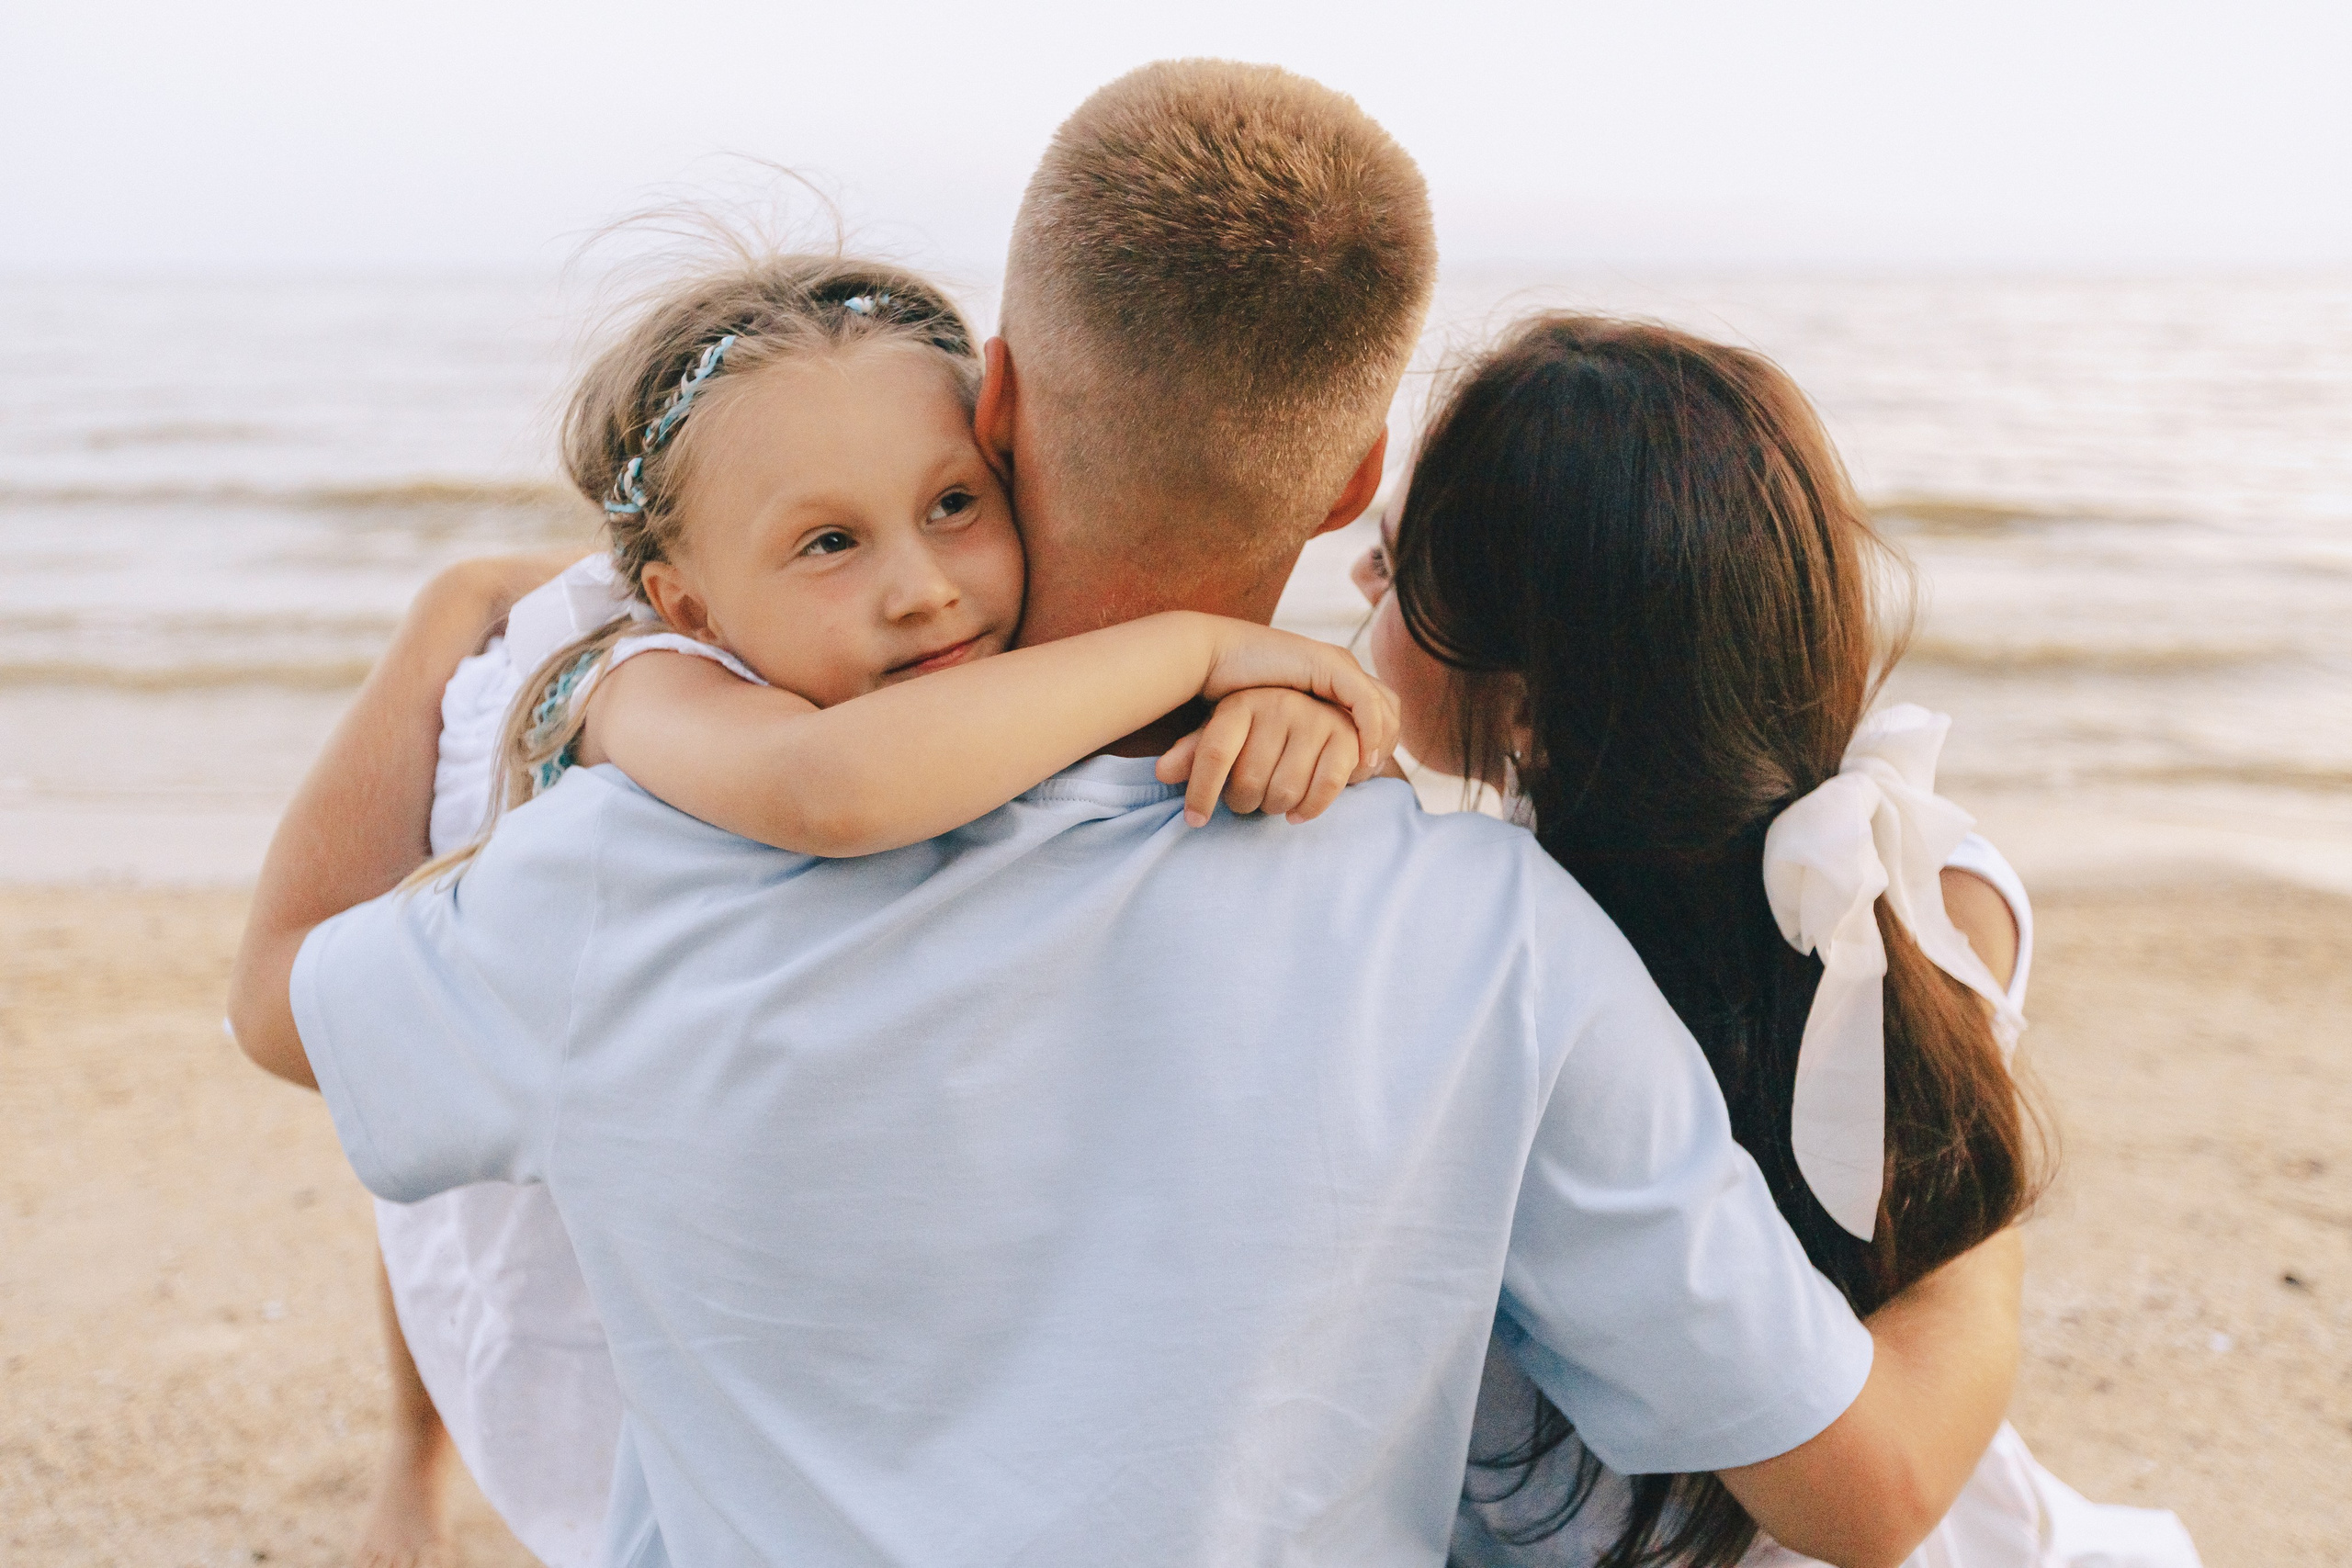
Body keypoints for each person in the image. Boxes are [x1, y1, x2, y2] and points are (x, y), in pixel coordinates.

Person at [229, 62, 2023, 1567]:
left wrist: (455, 632)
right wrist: (1971, 1138)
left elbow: (281, 996)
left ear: (997, 395)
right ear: (1352, 485)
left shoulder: (634, 861)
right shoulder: (1501, 944)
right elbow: (1859, 1493)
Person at [345, 252, 1395, 1567]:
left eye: (956, 502)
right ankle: (412, 1460)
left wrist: (1267, 706)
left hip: (723, 1172)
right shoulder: (642, 680)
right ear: (688, 607)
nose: (924, 589)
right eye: (832, 543)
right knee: (474, 1250)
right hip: (532, 1126)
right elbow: (828, 785)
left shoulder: (903, 646)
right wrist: (1200, 643)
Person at [1348, 313, 2200, 1568]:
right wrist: (1980, 1224)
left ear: (1522, 698)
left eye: (1393, 566)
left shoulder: (1521, 978)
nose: (1359, 585)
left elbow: (1873, 1495)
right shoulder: (1931, 882)